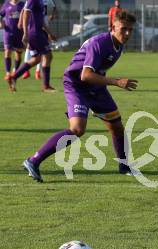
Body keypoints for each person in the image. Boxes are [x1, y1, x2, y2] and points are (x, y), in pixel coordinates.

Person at [23, 10, 138, 183]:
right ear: (113, 27)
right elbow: (85, 75)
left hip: (95, 87)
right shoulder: (99, 43)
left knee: (116, 126)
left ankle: (124, 166)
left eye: (130, 30)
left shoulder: (118, 44)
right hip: (76, 85)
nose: (127, 33)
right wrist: (116, 82)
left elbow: (95, 73)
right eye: (124, 29)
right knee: (77, 129)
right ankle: (33, 161)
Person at [8, 0, 57, 92]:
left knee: (37, 59)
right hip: (35, 33)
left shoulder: (40, 1)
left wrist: (49, 33)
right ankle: (46, 86)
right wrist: (25, 33)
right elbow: (26, 13)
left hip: (37, 32)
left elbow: (41, 20)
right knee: (48, 56)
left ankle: (13, 77)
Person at [22, 0, 56, 80]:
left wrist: (52, 15)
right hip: (34, 29)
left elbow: (53, 7)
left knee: (42, 56)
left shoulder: (47, 1)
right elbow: (25, 12)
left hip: (42, 27)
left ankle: (37, 72)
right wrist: (25, 31)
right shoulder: (32, 1)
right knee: (44, 55)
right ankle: (23, 73)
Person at [0, 0, 25, 91]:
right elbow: (1, 14)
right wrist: (1, 23)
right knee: (7, 52)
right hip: (8, 33)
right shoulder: (6, 4)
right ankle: (7, 73)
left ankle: (14, 73)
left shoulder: (22, 4)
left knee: (18, 54)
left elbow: (28, 16)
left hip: (19, 34)